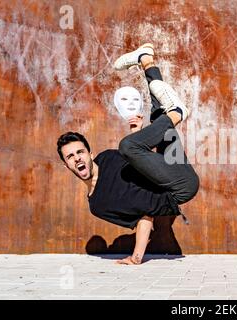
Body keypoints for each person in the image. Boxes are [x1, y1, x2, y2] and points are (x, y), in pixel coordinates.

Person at [56, 43, 199, 265]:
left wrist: (137, 133)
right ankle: (176, 112)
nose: (77, 158)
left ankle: (146, 60)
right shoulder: (98, 205)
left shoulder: (105, 158)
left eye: (80, 152)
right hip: (179, 188)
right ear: (67, 165)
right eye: (71, 157)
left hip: (168, 169)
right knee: (145, 132)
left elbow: (141, 160)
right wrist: (136, 258)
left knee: (158, 112)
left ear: (89, 152)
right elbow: (144, 216)